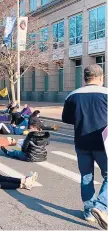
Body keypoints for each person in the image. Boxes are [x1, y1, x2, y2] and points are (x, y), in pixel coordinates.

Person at [62, 64, 107, 228]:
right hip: (104, 143)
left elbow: (66, 119)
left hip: (81, 143)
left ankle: (89, 212)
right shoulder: (106, 94)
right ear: (101, 77)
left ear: (85, 78)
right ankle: (101, 206)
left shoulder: (72, 96)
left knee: (86, 177)